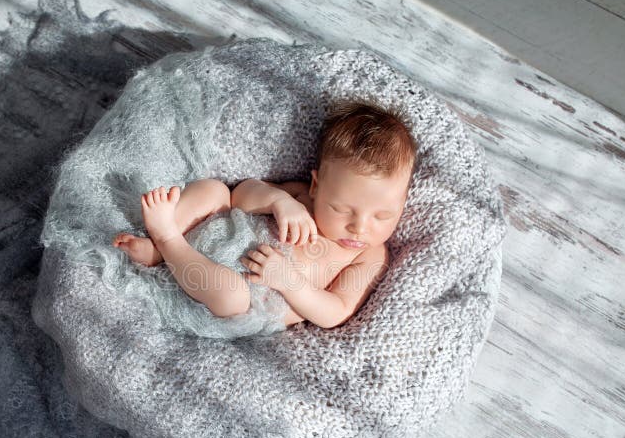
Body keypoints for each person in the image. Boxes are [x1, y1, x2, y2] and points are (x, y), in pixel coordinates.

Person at [113, 101, 417, 329]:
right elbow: (240, 196)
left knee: (231, 295)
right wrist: (278, 201)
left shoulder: (370, 256)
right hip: (213, 234)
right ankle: (158, 249)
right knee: (215, 191)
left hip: (243, 296)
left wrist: (289, 282)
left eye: (382, 216)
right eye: (340, 208)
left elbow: (336, 311)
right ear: (316, 186)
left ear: (403, 204)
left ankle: (167, 240)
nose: (359, 227)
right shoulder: (299, 196)